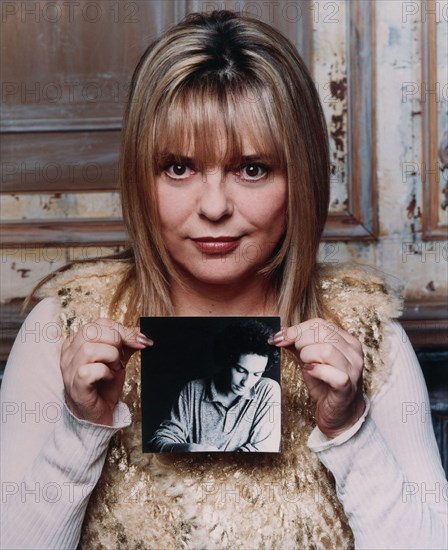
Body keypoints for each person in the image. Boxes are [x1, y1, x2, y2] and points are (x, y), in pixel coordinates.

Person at [1, 9, 446, 550]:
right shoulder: (65, 326)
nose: (213, 207)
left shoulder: (367, 336)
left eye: (252, 168)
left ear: (299, 178)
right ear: (141, 175)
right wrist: (79, 430)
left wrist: (351, 429)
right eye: (179, 168)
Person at [149, 320, 281, 452]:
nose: (246, 382)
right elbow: (160, 440)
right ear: (227, 361)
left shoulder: (268, 391)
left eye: (257, 374)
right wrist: (188, 448)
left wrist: (214, 461)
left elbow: (265, 451)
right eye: (241, 370)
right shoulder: (194, 390)